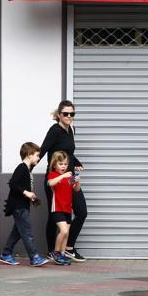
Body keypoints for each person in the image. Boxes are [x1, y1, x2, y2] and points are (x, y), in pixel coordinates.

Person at [39, 100, 87, 263]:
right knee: (55, 215)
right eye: (65, 113)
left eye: (72, 114)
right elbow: (43, 149)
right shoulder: (54, 131)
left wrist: (76, 162)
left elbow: (68, 152)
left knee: (81, 211)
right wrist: (27, 169)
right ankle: (52, 251)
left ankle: (68, 248)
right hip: (56, 179)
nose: (69, 116)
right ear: (59, 115)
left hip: (70, 177)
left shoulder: (70, 130)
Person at [0, 142, 49, 267]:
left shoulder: (27, 169)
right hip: (19, 206)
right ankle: (34, 257)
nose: (38, 158)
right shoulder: (21, 168)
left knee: (17, 232)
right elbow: (13, 183)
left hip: (22, 205)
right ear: (29, 155)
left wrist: (32, 197)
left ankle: (6, 253)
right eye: (37, 155)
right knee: (27, 232)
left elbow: (21, 186)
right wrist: (26, 192)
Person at [47, 151, 81, 266]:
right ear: (54, 165)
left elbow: (76, 189)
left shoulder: (69, 177)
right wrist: (63, 175)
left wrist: (77, 178)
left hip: (67, 209)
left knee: (66, 234)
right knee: (64, 231)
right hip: (57, 208)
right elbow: (51, 183)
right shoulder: (53, 175)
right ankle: (55, 253)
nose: (64, 166)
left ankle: (62, 254)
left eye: (65, 164)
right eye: (61, 164)